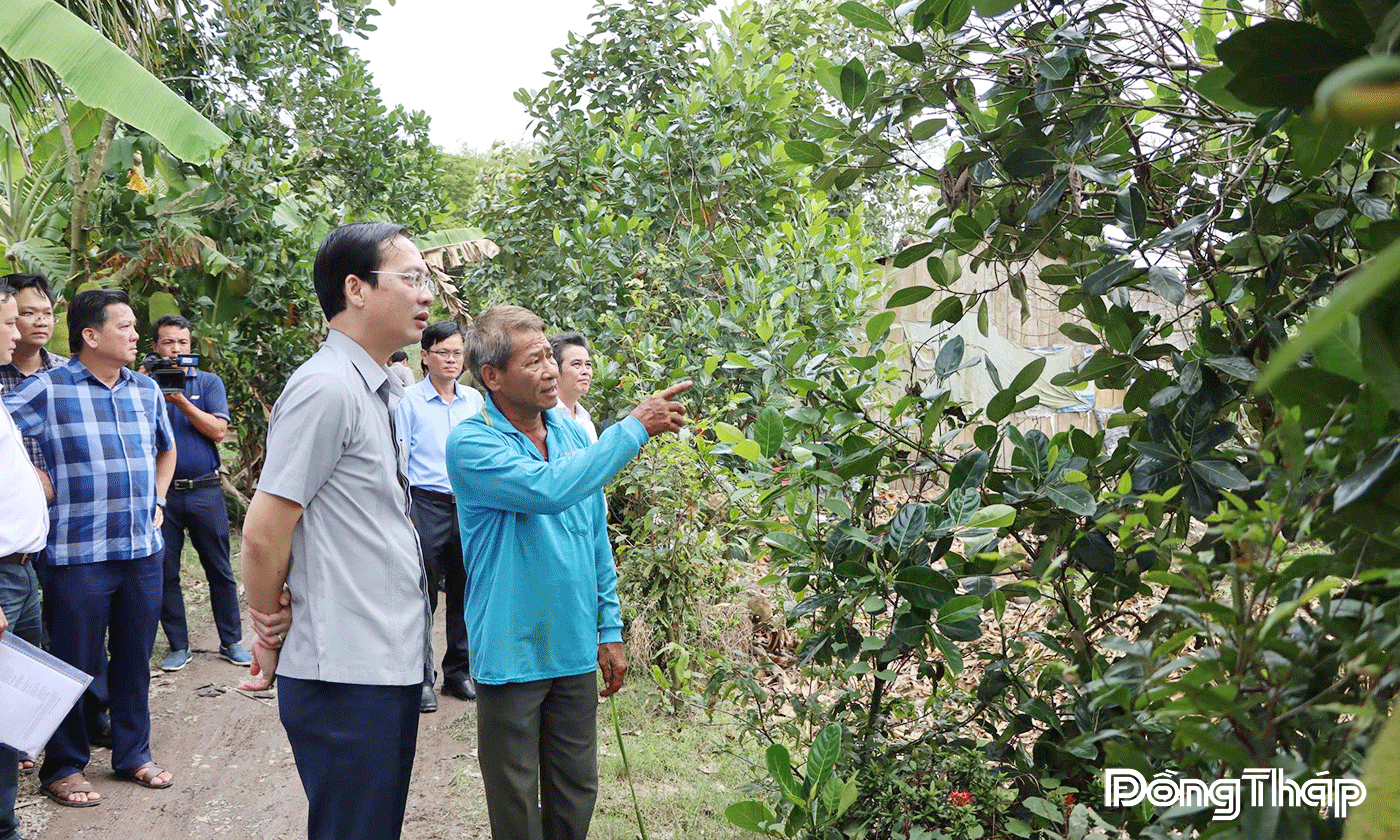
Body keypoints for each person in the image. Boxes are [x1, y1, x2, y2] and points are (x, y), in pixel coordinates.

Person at [446, 304, 690, 840]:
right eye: (534, 362)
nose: (552, 370)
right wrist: (631, 430)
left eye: (550, 358)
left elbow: (594, 536)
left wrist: (609, 629)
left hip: (574, 645)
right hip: (512, 650)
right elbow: (548, 490)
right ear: (491, 376)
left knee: (576, 789)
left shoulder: (575, 436)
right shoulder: (471, 443)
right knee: (515, 803)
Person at [239, 221, 434, 840]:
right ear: (355, 288)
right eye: (412, 278)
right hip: (345, 674)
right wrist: (267, 622)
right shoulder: (325, 388)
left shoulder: (378, 388)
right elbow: (266, 529)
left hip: (382, 664)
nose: (426, 293)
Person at [2, 288, 177, 807]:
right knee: (73, 662)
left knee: (134, 659)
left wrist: (160, 497)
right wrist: (36, 479)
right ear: (90, 335)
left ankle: (132, 754)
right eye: (123, 326)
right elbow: (4, 439)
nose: (134, 335)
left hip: (142, 550)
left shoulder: (145, 389)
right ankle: (64, 766)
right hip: (77, 555)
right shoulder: (48, 389)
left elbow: (165, 448)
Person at [0, 273, 110, 757]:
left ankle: (78, 722)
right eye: (22, 314)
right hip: (11, 544)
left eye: (46, 312)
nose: (36, 322)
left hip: (57, 530)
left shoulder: (67, 372)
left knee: (68, 633)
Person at [148, 315, 251, 672]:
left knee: (219, 568)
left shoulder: (207, 382)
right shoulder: (142, 386)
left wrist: (182, 402)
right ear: (155, 348)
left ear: (190, 347)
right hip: (163, 495)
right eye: (168, 343)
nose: (176, 350)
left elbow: (218, 431)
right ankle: (179, 645)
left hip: (205, 490)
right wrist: (150, 388)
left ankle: (231, 641)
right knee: (166, 571)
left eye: (182, 343)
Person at [395, 320, 483, 712]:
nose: (451, 360)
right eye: (443, 353)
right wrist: (405, 510)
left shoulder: (474, 402)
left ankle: (458, 673)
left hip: (466, 504)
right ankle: (421, 677)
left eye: (457, 353)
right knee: (422, 594)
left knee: (465, 590)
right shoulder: (408, 402)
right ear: (425, 356)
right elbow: (400, 461)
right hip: (425, 504)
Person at [0, 279, 49, 840]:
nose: (19, 335)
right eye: (10, 323)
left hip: (20, 569)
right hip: (2, 578)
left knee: (13, 708)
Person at [548, 331, 597, 443]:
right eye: (576, 364)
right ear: (554, 368)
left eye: (588, 365)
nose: (585, 371)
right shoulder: (544, 417)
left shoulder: (585, 420)